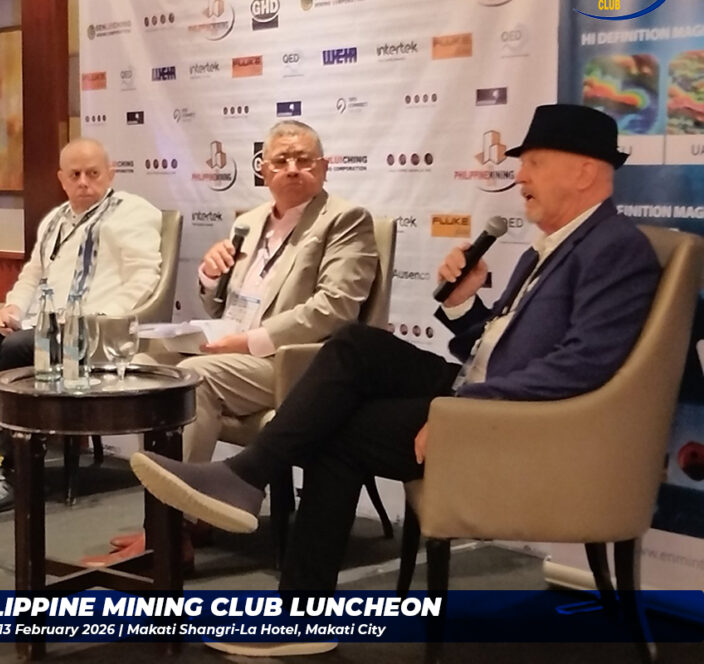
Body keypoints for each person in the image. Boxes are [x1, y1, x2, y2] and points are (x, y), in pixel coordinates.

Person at [127, 104, 661, 657]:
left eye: (534, 163)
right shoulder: (547, 248)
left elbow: (582, 365)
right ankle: (251, 489)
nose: (519, 175)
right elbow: (493, 349)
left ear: (584, 171)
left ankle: (288, 586)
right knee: (355, 344)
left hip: (515, 421)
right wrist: (463, 305)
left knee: (336, 429)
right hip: (482, 390)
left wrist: (463, 408)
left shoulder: (614, 248)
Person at [87, 119, 378, 567]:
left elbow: (336, 308)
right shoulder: (249, 221)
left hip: (298, 364)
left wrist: (250, 341)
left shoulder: (344, 220)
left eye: (304, 160)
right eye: (281, 160)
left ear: (323, 168)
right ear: (263, 169)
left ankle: (169, 534)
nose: (292, 168)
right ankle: (182, 516)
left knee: (192, 379)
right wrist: (210, 275)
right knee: (149, 363)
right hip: (236, 349)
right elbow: (220, 302)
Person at [0, 137, 162, 515]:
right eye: (75, 175)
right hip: (38, 326)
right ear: (61, 178)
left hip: (91, 333)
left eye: (93, 173)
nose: (84, 182)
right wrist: (12, 307)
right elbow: (32, 275)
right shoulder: (55, 219)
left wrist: (92, 320)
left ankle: (13, 470)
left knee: (18, 347)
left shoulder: (133, 213)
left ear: (111, 173)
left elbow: (144, 280)